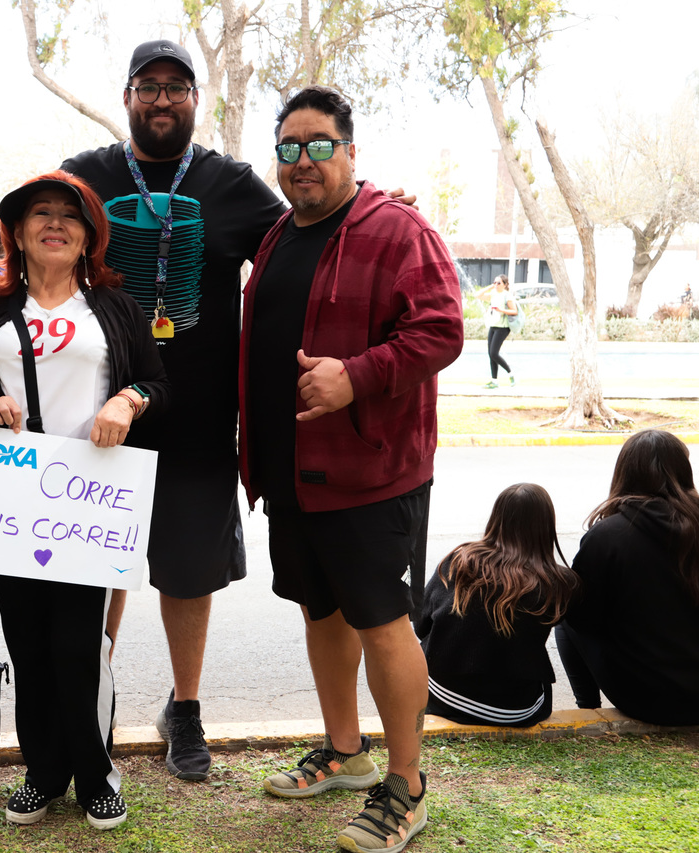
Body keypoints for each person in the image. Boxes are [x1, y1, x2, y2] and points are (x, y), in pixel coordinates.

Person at [0, 38, 417, 782]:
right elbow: (20, 219)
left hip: (195, 416)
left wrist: (376, 204)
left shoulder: (233, 184)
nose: (162, 99)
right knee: (87, 563)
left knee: (188, 572)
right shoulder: (89, 173)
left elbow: (312, 224)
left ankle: (184, 708)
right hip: (92, 422)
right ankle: (88, 700)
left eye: (177, 87)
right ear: (129, 97)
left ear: (196, 100)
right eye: (148, 86)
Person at [238, 86, 463, 853]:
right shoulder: (279, 234)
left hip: (370, 470)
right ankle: (346, 751)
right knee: (320, 609)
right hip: (292, 470)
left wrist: (357, 377)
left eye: (319, 145)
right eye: (289, 147)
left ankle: (407, 785)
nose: (303, 160)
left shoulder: (397, 229)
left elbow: (441, 330)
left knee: (382, 622)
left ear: (351, 151)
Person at [0, 172, 169, 831]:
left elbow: (157, 383)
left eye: (70, 216)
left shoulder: (114, 310)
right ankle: (42, 771)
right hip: (12, 505)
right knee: (28, 643)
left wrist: (127, 401)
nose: (54, 224)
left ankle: (96, 774)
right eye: (40, 214)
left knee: (79, 644)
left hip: (87, 504)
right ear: (15, 234)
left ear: (88, 235)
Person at [555, 429, 699, 726]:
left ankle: (588, 707)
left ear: (625, 473)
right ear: (684, 472)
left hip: (650, 699)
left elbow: (584, 618)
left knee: (567, 615)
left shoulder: (608, 536)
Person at [415, 483, 578, 728]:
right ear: (546, 526)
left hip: (445, 696)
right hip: (515, 710)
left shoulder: (459, 561)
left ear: (497, 518)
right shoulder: (560, 582)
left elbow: (421, 626)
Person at [475, 274, 517, 388]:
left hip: (503, 327)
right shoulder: (493, 294)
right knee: (491, 354)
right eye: (495, 282)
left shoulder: (507, 295)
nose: (496, 285)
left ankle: (511, 373)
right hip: (493, 325)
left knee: (494, 353)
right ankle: (494, 381)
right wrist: (490, 287)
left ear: (505, 284)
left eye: (499, 283)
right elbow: (477, 295)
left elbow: (514, 311)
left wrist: (501, 310)